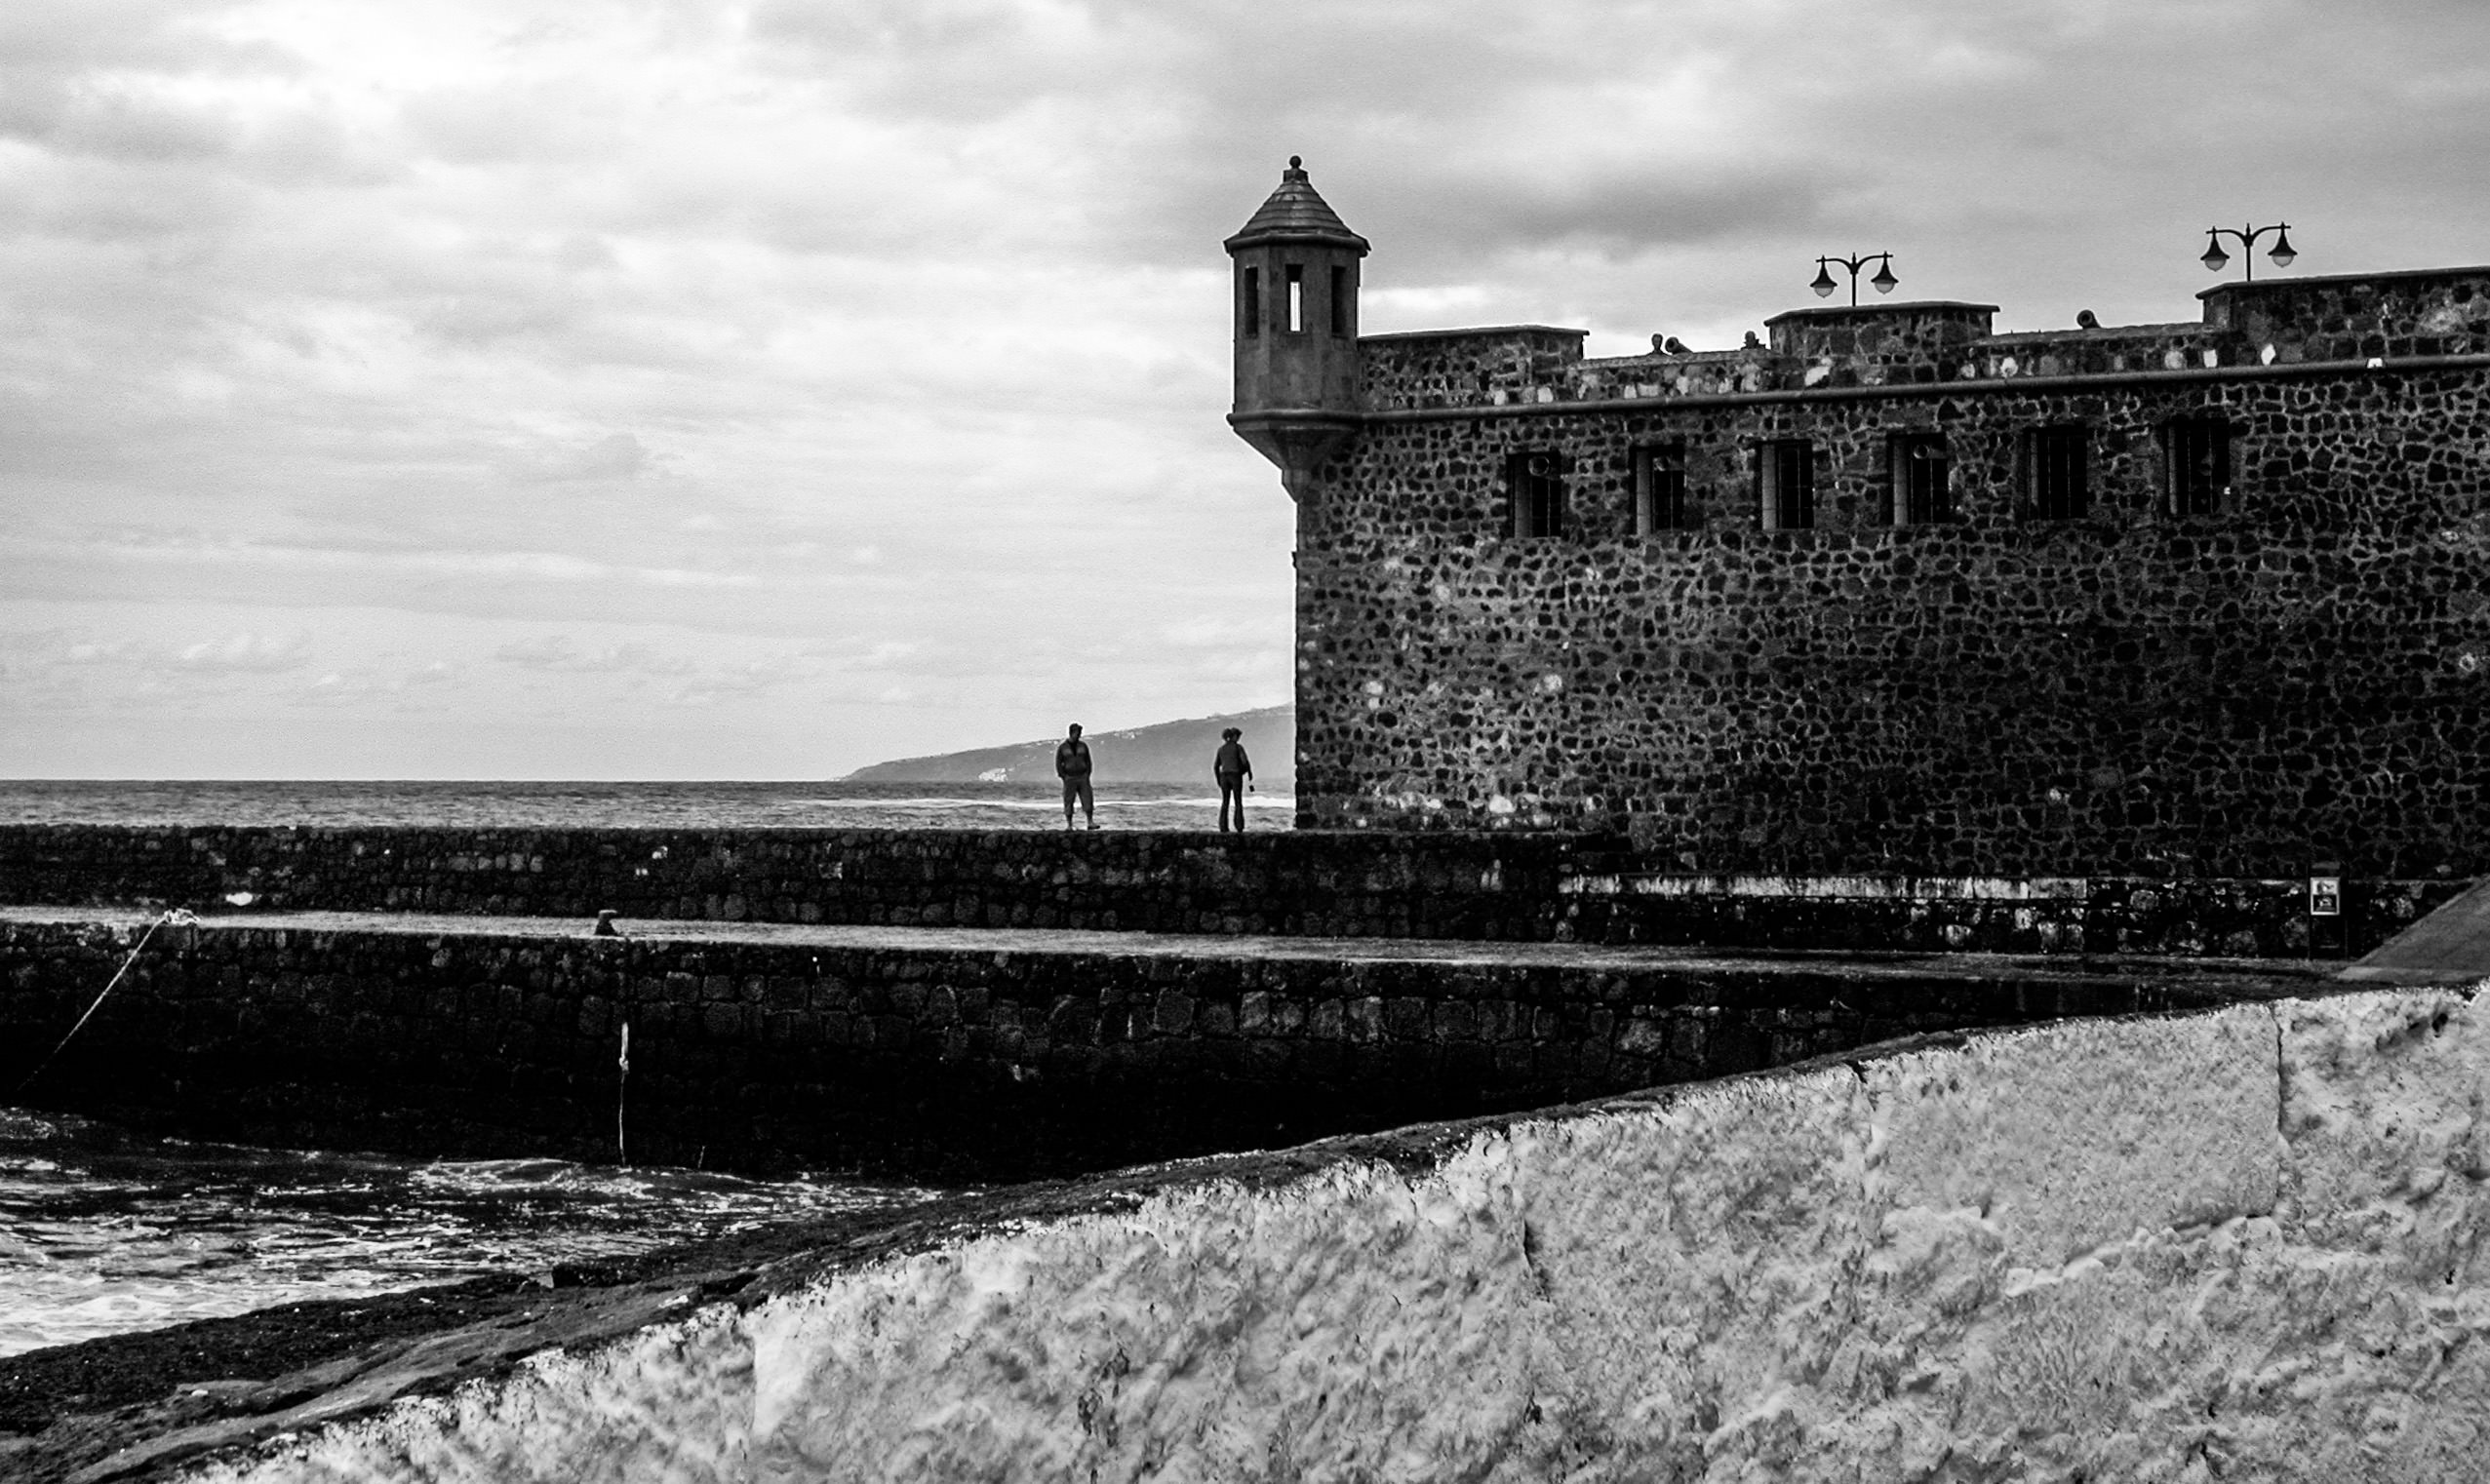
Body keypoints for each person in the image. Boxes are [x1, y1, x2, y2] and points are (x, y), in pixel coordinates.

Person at [1056, 722, 1096, 830]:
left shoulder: (1083, 746)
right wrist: (1063, 776)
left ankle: (1090, 822)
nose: (1079, 735)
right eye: (1077, 733)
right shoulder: (1063, 747)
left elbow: (1088, 760)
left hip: (1082, 776)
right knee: (1068, 800)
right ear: (1071, 733)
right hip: (1069, 777)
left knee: (1088, 798)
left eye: (1079, 733)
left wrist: (1087, 773)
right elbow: (1059, 763)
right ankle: (1069, 824)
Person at [1213, 726, 1253, 834]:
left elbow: (1216, 766)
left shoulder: (1221, 749)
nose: (1239, 739)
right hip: (1235, 776)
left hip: (1224, 776)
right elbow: (1245, 762)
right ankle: (1239, 826)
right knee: (1238, 801)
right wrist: (1247, 772)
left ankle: (1223, 827)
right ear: (1234, 736)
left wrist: (1218, 780)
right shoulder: (1238, 748)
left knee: (1225, 802)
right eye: (1238, 736)